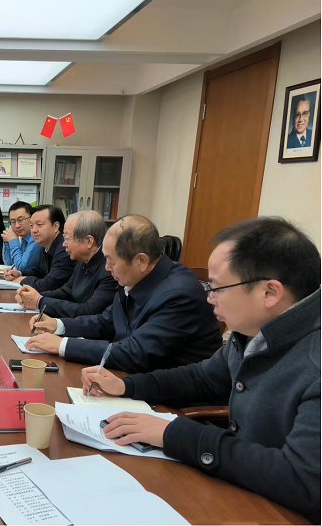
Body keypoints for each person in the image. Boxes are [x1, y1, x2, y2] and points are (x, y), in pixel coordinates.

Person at [81, 217, 320, 523]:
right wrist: (127, 386)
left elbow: (303, 481)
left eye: (218, 287)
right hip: (243, 490)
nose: (209, 297)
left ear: (270, 293)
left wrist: (175, 433)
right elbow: (203, 378)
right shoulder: (255, 330)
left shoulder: (314, 362)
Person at [26, 215, 221, 372]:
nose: (107, 267)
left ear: (141, 261)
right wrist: (58, 325)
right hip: (129, 377)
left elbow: (136, 352)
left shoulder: (179, 294)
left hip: (167, 396)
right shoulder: (135, 276)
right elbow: (106, 321)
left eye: (111, 260)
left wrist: (63, 345)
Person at [16, 210, 117, 318]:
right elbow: (66, 292)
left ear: (89, 241)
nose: (64, 244)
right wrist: (32, 296)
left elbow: (87, 311)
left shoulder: (109, 270)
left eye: (67, 238)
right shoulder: (82, 260)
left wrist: (39, 301)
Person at [5, 205, 75, 292]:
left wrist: (23, 280)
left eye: (39, 225)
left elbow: (48, 285)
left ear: (55, 226)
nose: (34, 230)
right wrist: (19, 273)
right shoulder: (45, 246)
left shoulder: (65, 249)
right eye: (31, 226)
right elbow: (38, 271)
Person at [1, 201, 43, 274]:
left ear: (32, 218)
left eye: (21, 220)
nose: (17, 226)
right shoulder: (24, 239)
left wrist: (13, 241)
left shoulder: (36, 237)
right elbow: (9, 264)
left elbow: (22, 268)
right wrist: (7, 242)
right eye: (13, 222)